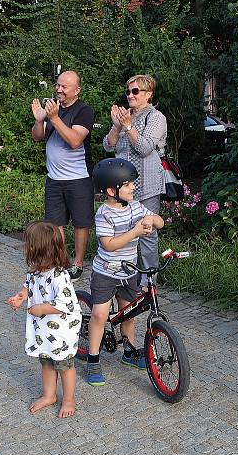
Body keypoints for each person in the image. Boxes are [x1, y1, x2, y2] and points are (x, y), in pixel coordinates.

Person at [84, 158, 164, 386]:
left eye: (132, 184)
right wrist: (136, 231)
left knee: (128, 313)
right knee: (100, 315)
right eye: (128, 184)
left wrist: (150, 219)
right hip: (106, 272)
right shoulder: (104, 214)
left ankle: (129, 351)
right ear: (112, 190)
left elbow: (160, 221)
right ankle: (93, 358)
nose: (133, 187)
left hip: (129, 271)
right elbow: (108, 244)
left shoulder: (137, 207)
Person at [7, 221, 82, 418]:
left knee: (65, 366)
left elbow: (65, 303)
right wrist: (20, 297)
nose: (26, 248)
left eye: (29, 244)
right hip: (44, 330)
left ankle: (68, 399)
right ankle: (49, 395)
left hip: (61, 331)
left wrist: (41, 308)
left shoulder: (59, 276)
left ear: (40, 249)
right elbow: (28, 286)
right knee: (46, 362)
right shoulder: (35, 270)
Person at [31, 70, 95, 281]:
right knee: (54, 223)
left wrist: (54, 118)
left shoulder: (84, 111)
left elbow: (75, 140)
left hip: (78, 177)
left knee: (80, 222)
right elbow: (37, 138)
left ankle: (77, 264)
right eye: (57, 85)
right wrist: (40, 121)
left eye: (64, 87)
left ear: (77, 90)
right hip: (54, 178)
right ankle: (61, 260)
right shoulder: (53, 108)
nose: (58, 89)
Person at [103, 75, 167, 282]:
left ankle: (149, 281)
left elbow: (144, 147)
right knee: (121, 228)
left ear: (148, 95)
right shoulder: (125, 117)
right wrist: (117, 126)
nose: (130, 95)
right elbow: (108, 145)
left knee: (146, 231)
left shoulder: (156, 117)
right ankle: (122, 274)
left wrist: (128, 126)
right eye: (128, 91)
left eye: (135, 91)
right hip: (121, 187)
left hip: (146, 185)